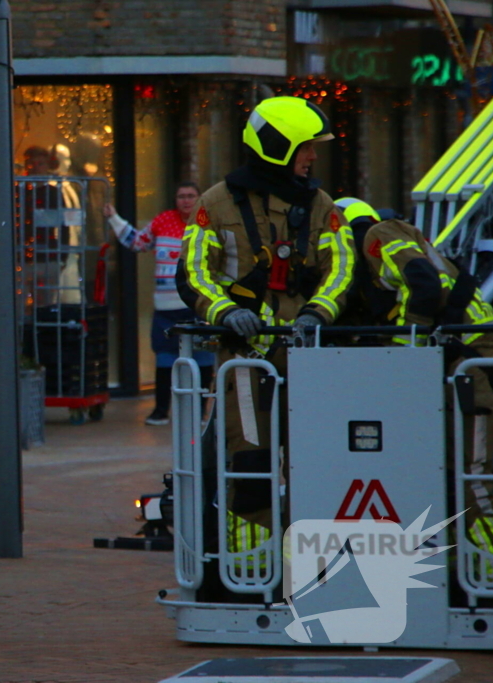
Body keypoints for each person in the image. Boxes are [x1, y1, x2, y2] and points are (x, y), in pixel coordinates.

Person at [178, 96, 355, 562]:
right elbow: (194, 272)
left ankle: (310, 567)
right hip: (244, 361)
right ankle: (251, 572)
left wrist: (316, 313)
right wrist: (222, 311)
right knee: (250, 465)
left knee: (312, 463)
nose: (313, 157)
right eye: (306, 148)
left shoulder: (321, 205)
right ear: (278, 147)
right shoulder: (214, 203)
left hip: (307, 360)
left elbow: (342, 268)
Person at [336, 197, 493, 563]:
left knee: (472, 481)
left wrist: (403, 354)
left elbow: (425, 286)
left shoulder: (378, 235)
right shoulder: (380, 268)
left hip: (468, 366)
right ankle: (464, 573)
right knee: (445, 481)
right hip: (456, 366)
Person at [103, 182, 215, 425]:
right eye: (181, 196)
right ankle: (161, 411)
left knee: (204, 357)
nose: (185, 201)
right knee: (164, 359)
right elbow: (137, 242)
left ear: (200, 198)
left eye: (190, 196)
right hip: (165, 309)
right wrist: (114, 219)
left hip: (197, 305)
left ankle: (200, 412)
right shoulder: (163, 221)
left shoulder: (208, 222)